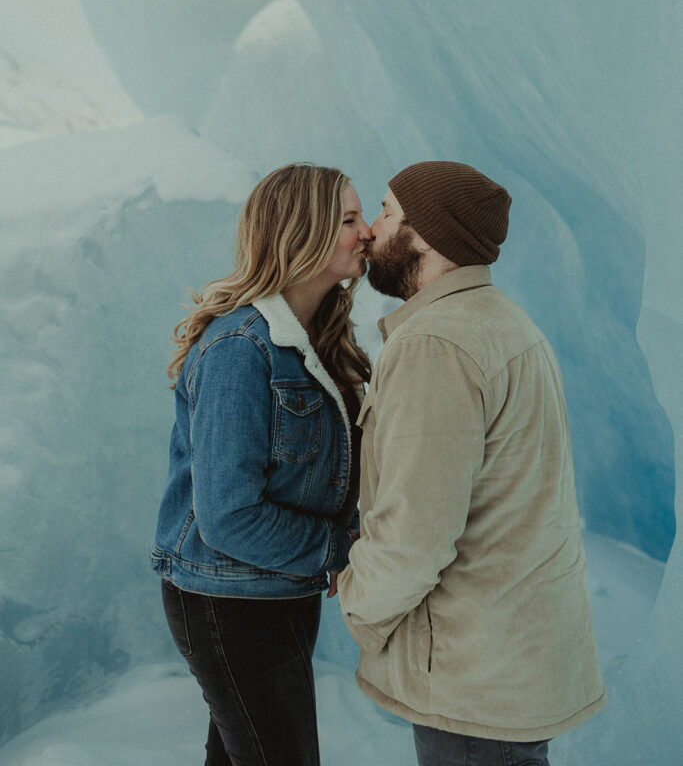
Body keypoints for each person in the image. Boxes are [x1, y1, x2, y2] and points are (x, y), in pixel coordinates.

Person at [337, 161, 606, 766]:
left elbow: (416, 534)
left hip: (474, 670)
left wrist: (355, 593)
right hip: (515, 661)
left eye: (386, 211)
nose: (372, 229)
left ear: (426, 234)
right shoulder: (506, 326)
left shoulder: (436, 343)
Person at [150, 163, 371, 766]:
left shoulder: (312, 339)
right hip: (229, 601)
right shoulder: (239, 350)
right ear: (306, 231)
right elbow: (229, 516)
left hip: (276, 588)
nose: (369, 231)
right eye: (350, 219)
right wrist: (341, 549)